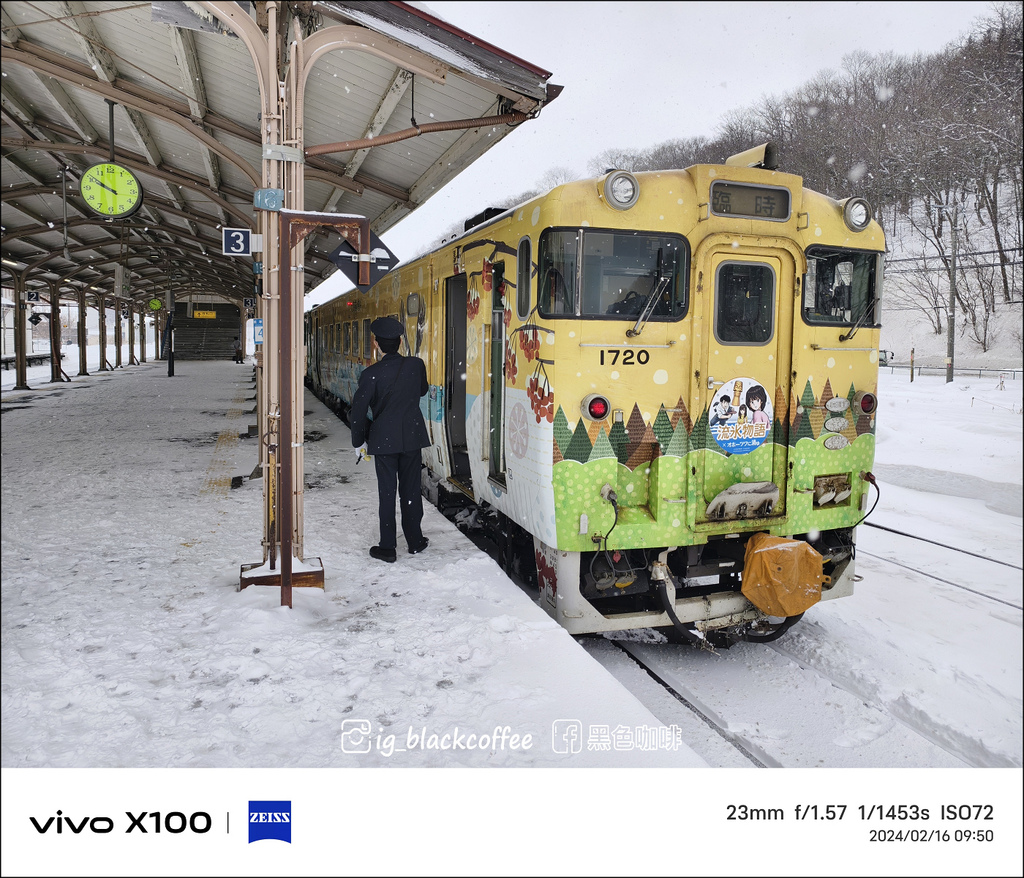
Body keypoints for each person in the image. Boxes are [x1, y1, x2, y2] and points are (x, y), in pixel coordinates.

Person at [350, 316, 430, 563]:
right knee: (410, 491)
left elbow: (357, 411)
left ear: (376, 344)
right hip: (412, 437)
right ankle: (415, 541)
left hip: (384, 441)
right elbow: (422, 390)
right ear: (399, 342)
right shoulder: (416, 365)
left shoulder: (371, 374)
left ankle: (388, 547)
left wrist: (358, 442)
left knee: (387, 493)